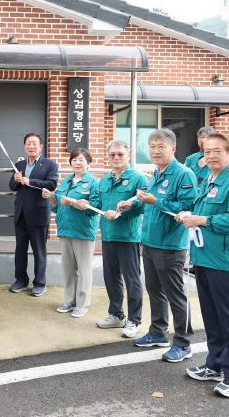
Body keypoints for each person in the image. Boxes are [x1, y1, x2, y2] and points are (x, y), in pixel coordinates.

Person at [176, 133, 229, 398]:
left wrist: (201, 220)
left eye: (217, 151)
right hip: (204, 259)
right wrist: (189, 216)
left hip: (226, 262)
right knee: (212, 318)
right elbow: (204, 213)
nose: (211, 155)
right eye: (207, 151)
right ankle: (215, 366)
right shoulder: (209, 181)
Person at [117, 129, 197, 361]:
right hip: (150, 241)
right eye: (152, 146)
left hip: (170, 244)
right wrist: (134, 205)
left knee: (175, 295)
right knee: (154, 291)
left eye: (161, 146)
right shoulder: (156, 173)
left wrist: (155, 200)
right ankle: (158, 333)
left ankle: (183, 343)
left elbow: (187, 208)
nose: (155, 150)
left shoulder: (183, 174)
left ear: (173, 149)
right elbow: (152, 205)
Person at [92, 140, 148, 338]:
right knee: (111, 277)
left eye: (120, 154)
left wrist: (127, 209)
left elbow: (144, 206)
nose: (116, 158)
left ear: (129, 156)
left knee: (132, 280)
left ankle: (134, 320)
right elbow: (98, 203)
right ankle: (116, 314)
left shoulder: (139, 179)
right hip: (108, 235)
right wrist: (85, 204)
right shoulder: (104, 180)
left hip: (128, 237)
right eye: (112, 154)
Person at [42, 148, 100, 317]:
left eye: (81, 159)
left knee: (83, 269)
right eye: (74, 159)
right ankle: (70, 300)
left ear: (88, 163)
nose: (77, 162)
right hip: (65, 230)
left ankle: (82, 303)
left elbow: (94, 208)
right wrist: (50, 197)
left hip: (83, 231)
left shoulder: (94, 182)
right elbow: (57, 206)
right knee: (68, 268)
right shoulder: (65, 182)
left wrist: (73, 203)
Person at [8, 133, 59, 297]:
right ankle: (21, 280)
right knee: (20, 250)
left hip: (38, 214)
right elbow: (11, 187)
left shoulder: (49, 164)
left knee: (39, 251)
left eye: (34, 143)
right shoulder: (20, 164)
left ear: (41, 146)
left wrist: (30, 181)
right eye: (28, 143)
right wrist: (16, 180)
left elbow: (51, 184)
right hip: (20, 214)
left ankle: (40, 283)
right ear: (24, 146)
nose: (31, 146)